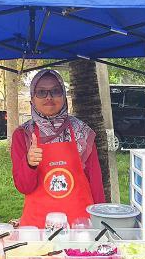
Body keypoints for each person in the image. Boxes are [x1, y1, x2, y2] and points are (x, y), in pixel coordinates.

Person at [10, 69, 105, 227]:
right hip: (38, 227)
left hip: (79, 226)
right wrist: (29, 163)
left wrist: (101, 220)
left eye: (55, 91)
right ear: (32, 98)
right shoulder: (23, 135)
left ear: (64, 96)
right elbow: (24, 187)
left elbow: (96, 183)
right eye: (41, 92)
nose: (49, 97)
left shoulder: (82, 132)